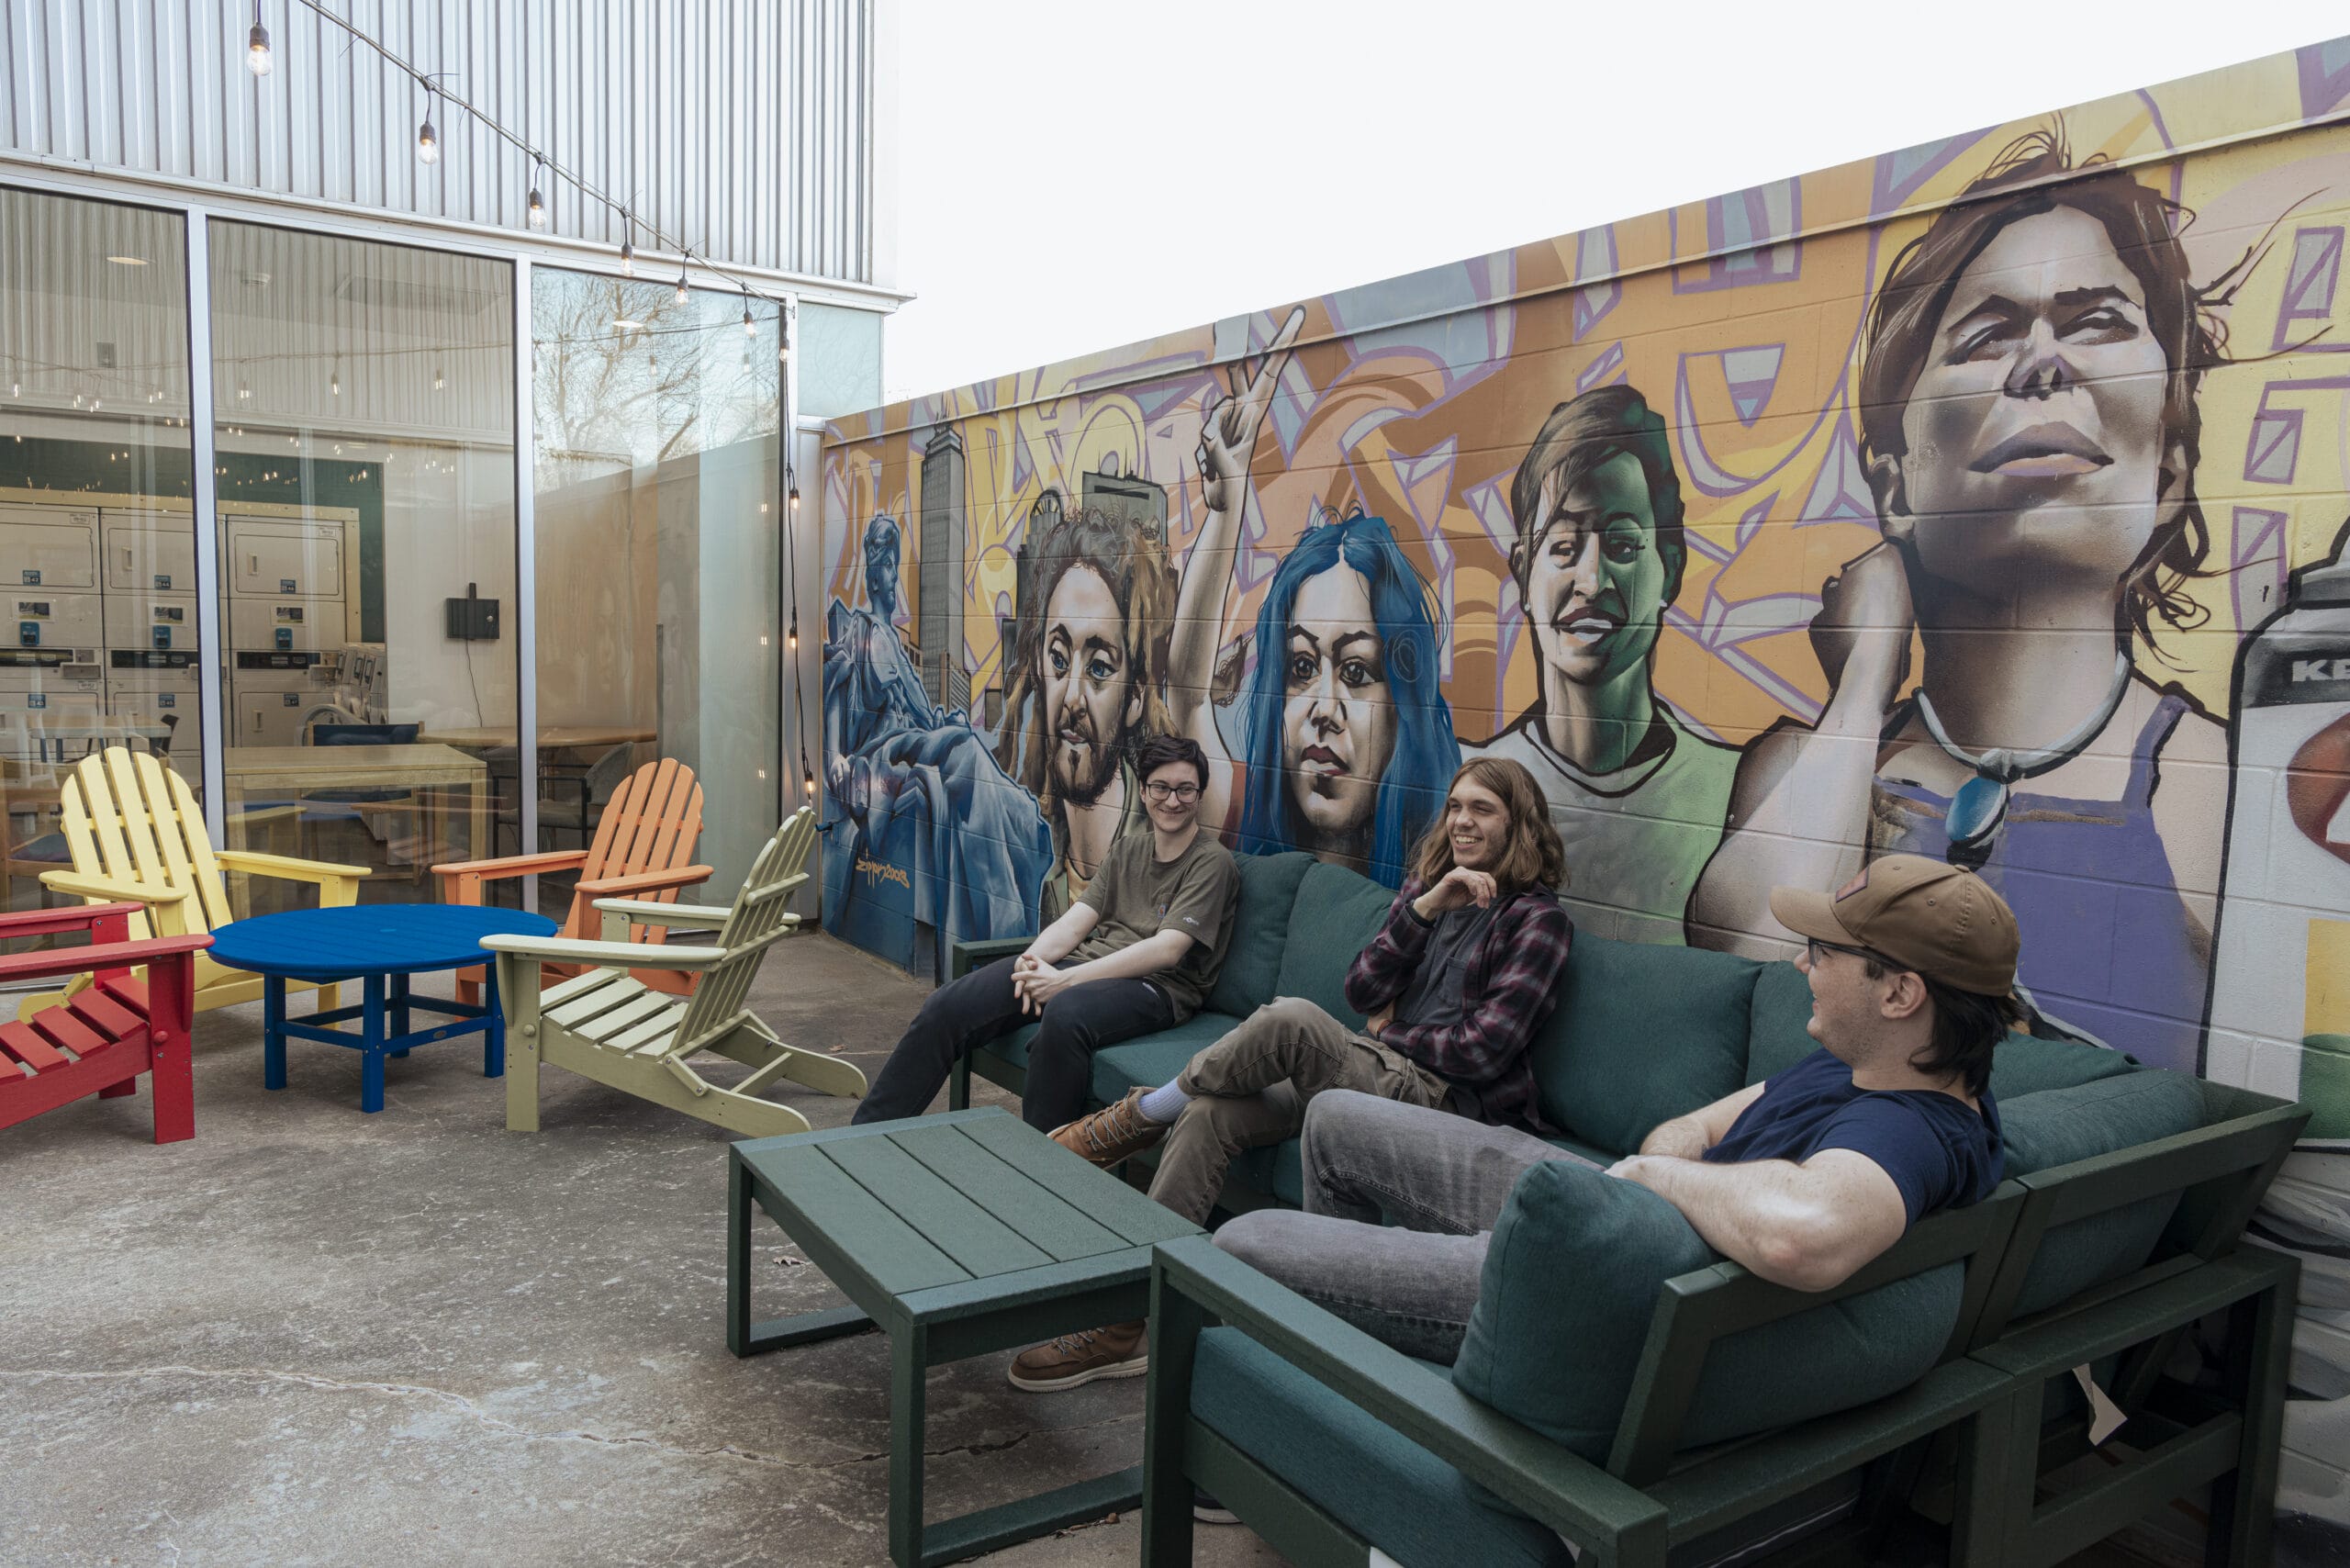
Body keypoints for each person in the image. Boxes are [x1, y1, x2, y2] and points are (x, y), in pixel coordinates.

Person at [1690, 131, 2249, 1071]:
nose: (2042, 365)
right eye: (1987, 334)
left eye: (2097, 321)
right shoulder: (1807, 764)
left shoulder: (2213, 783)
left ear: (2170, 468)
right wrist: (1864, 682)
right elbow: (1754, 980)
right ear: (1895, 480)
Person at [1215, 854, 2016, 1366]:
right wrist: (1664, 1172)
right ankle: (1348, 1364)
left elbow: (1800, 1235)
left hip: (1608, 1288)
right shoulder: (1858, 1067)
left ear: (1901, 992)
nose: (1804, 961)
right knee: (1337, 1121)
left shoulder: (1910, 1131)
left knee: (1242, 1242)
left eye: (1828, 952)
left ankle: (1356, 1379)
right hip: (1617, 1207)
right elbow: (1698, 1128)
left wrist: (1658, 1180)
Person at [1005, 756, 1572, 1393]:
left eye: (1482, 810)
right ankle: (1126, 1324)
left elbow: (1481, 1051)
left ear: (1517, 824)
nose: (1463, 821)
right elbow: (1363, 987)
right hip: (1375, 1075)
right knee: (1209, 1114)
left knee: (1292, 1022)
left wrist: (1392, 1032)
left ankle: (1137, 1116)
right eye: (1456, 807)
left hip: (1444, 1109)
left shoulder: (1537, 922)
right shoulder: (1429, 894)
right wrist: (1424, 912)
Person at [1169, 308, 1461, 886]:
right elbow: (1188, 694)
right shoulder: (1247, 832)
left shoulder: (1431, 885)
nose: (1323, 708)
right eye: (1301, 667)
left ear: (1403, 708)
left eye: (1356, 671)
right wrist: (1225, 512)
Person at [852, 734, 1237, 1132]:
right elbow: (1078, 919)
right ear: (1143, 790)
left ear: (1200, 794)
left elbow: (1168, 950)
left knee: (1065, 1013)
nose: (1172, 800)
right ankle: (862, 1137)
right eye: (1161, 787)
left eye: (1185, 790)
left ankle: (1046, 1166)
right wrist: (1029, 964)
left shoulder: (1212, 862)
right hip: (1088, 967)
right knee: (948, 1006)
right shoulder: (1128, 850)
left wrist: (1063, 981)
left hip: (1157, 989)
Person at [1468, 385, 1740, 945]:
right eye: (1564, 547)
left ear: (1670, 566)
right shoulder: (1470, 786)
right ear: (1522, 571)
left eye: (1622, 545)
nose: (1591, 582)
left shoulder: (1734, 793)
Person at [994, 495, 1179, 919]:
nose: (1073, 696)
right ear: (1039, 670)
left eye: (1098, 667)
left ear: (1134, 698)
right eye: (1058, 658)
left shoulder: (1157, 852)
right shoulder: (1037, 859)